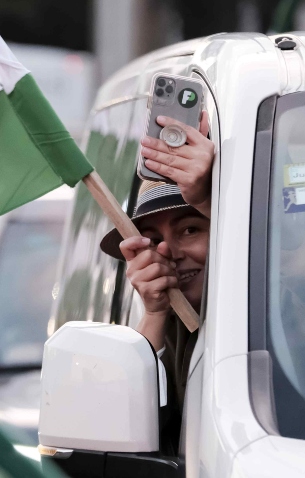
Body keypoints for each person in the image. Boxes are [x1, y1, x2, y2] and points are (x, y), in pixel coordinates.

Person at [98, 112, 214, 443]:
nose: (169, 252)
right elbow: (130, 436)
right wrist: (154, 313)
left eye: (190, 229)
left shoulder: (269, 306)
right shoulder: (169, 327)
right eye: (151, 239)